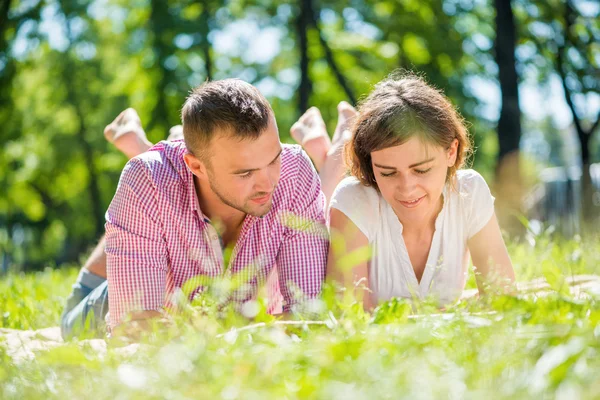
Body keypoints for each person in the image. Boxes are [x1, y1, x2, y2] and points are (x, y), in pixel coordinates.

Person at [60, 80, 356, 339]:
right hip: (106, 298)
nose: (268, 183)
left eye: (273, 159)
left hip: (211, 305)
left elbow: (305, 314)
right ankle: (151, 149)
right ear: (196, 166)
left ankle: (154, 143)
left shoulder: (294, 169)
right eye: (245, 172)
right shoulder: (146, 179)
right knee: (154, 191)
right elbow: (135, 333)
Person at [326, 73, 516, 310]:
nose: (407, 188)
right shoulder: (353, 200)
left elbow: (503, 301)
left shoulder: (469, 192)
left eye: (422, 170)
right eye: (388, 173)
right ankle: (336, 142)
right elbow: (348, 322)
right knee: (325, 190)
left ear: (451, 152)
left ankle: (341, 132)